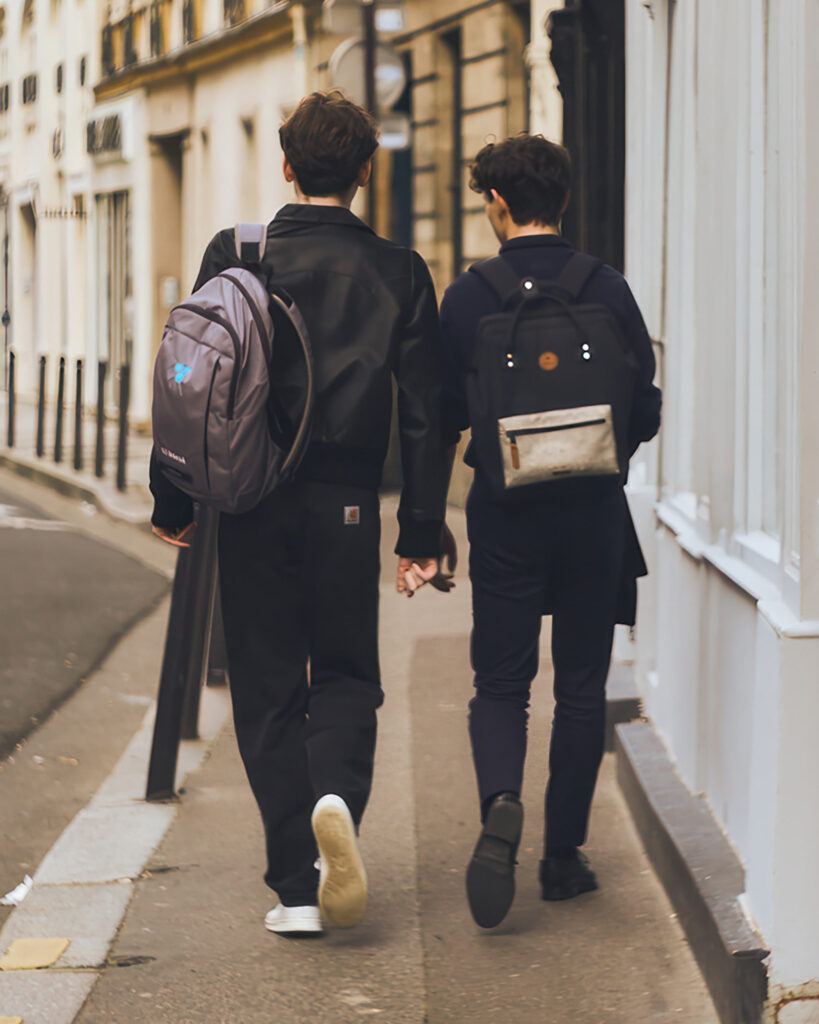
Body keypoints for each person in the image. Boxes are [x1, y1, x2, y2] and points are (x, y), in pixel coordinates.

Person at [150, 90, 451, 935]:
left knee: (267, 685)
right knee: (349, 672)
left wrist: (172, 495)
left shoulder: (238, 251)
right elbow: (427, 415)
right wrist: (419, 534)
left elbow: (190, 380)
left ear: (284, 165)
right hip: (348, 506)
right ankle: (335, 795)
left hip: (249, 504)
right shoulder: (398, 271)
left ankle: (295, 885)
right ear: (364, 171)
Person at [439, 134, 662, 928]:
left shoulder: (467, 298)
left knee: (499, 684)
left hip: (505, 517)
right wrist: (600, 456)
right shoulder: (606, 288)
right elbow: (645, 406)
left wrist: (428, 522)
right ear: (560, 200)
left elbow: (439, 415)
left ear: (496, 205)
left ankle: (501, 799)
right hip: (592, 516)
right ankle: (561, 859)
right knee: (577, 690)